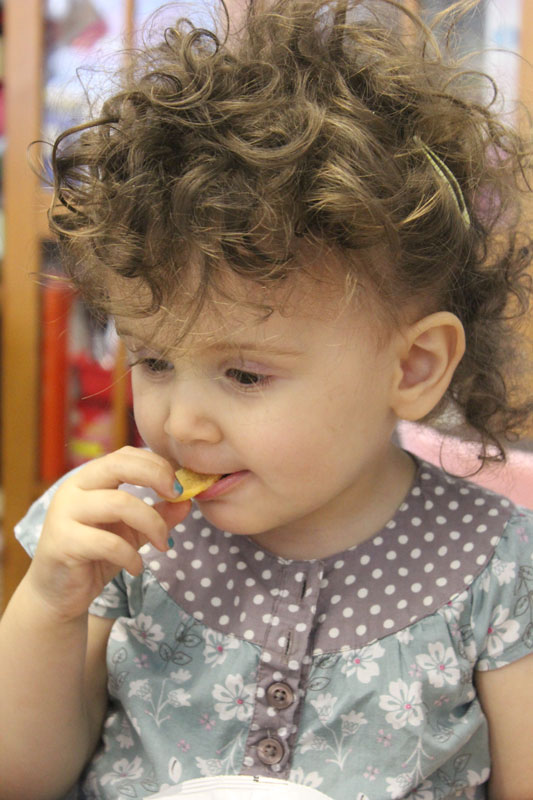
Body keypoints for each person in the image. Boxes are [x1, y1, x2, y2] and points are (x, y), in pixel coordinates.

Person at [1, 1, 533, 798]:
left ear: (413, 367)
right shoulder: (122, 534)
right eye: (153, 360)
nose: (180, 422)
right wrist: (49, 604)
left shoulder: (496, 567)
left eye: (244, 375)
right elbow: (21, 778)